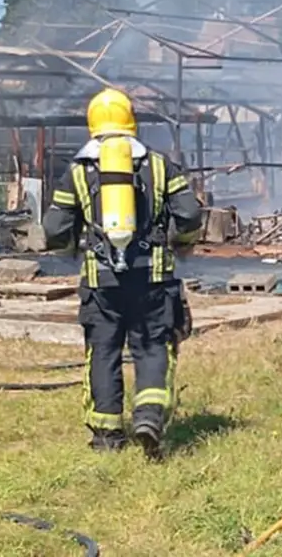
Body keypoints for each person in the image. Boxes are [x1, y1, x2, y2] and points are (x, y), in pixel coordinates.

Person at [43, 88, 203, 458]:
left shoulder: (79, 171)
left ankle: (107, 437)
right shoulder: (160, 166)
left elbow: (54, 228)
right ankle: (148, 417)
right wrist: (181, 243)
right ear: (132, 121)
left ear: (92, 124)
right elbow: (190, 215)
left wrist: (69, 252)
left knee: (103, 352)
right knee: (153, 348)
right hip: (153, 279)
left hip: (102, 283)